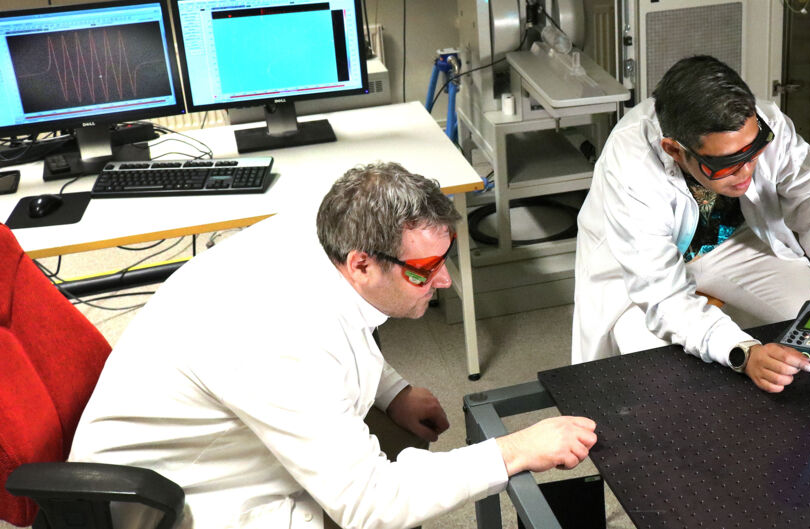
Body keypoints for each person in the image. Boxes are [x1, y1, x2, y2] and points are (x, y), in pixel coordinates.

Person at [69, 163, 597, 529]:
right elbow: (369, 504)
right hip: (175, 501)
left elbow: (351, 323)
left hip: (221, 431)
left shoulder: (322, 228)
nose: (445, 284)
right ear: (362, 262)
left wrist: (391, 390)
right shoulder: (278, 337)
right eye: (426, 271)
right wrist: (514, 450)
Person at [572, 55, 810, 393]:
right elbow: (662, 296)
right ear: (674, 150)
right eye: (727, 164)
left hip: (730, 244)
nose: (746, 172)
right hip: (639, 271)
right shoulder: (631, 167)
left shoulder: (763, 123)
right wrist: (744, 352)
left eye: (753, 151)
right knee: (661, 373)